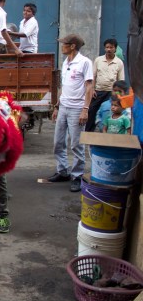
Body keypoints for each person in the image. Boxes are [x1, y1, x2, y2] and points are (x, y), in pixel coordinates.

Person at [47, 34, 93, 192]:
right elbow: (64, 87)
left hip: (77, 109)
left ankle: (77, 175)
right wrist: (57, 106)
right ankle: (63, 171)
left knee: (76, 144)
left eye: (64, 44)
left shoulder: (85, 62)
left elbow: (89, 87)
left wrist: (85, 109)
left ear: (73, 46)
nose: (62, 46)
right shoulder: (66, 61)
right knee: (58, 143)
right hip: (64, 107)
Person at [86, 38, 125, 132]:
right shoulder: (98, 60)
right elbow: (93, 76)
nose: (109, 49)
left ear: (115, 48)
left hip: (111, 93)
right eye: (107, 47)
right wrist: (92, 89)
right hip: (98, 91)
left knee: (109, 112)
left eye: (111, 47)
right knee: (91, 111)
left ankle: (107, 132)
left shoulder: (119, 62)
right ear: (104, 48)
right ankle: (88, 132)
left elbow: (121, 80)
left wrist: (118, 94)